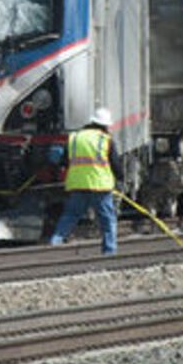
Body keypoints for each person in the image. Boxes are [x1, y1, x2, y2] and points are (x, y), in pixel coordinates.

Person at [48, 107, 122, 256]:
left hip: (78, 185)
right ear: (105, 126)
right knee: (107, 220)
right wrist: (120, 180)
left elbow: (64, 161)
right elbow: (116, 164)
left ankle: (55, 242)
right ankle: (109, 251)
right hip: (100, 187)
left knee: (70, 216)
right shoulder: (105, 140)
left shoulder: (75, 137)